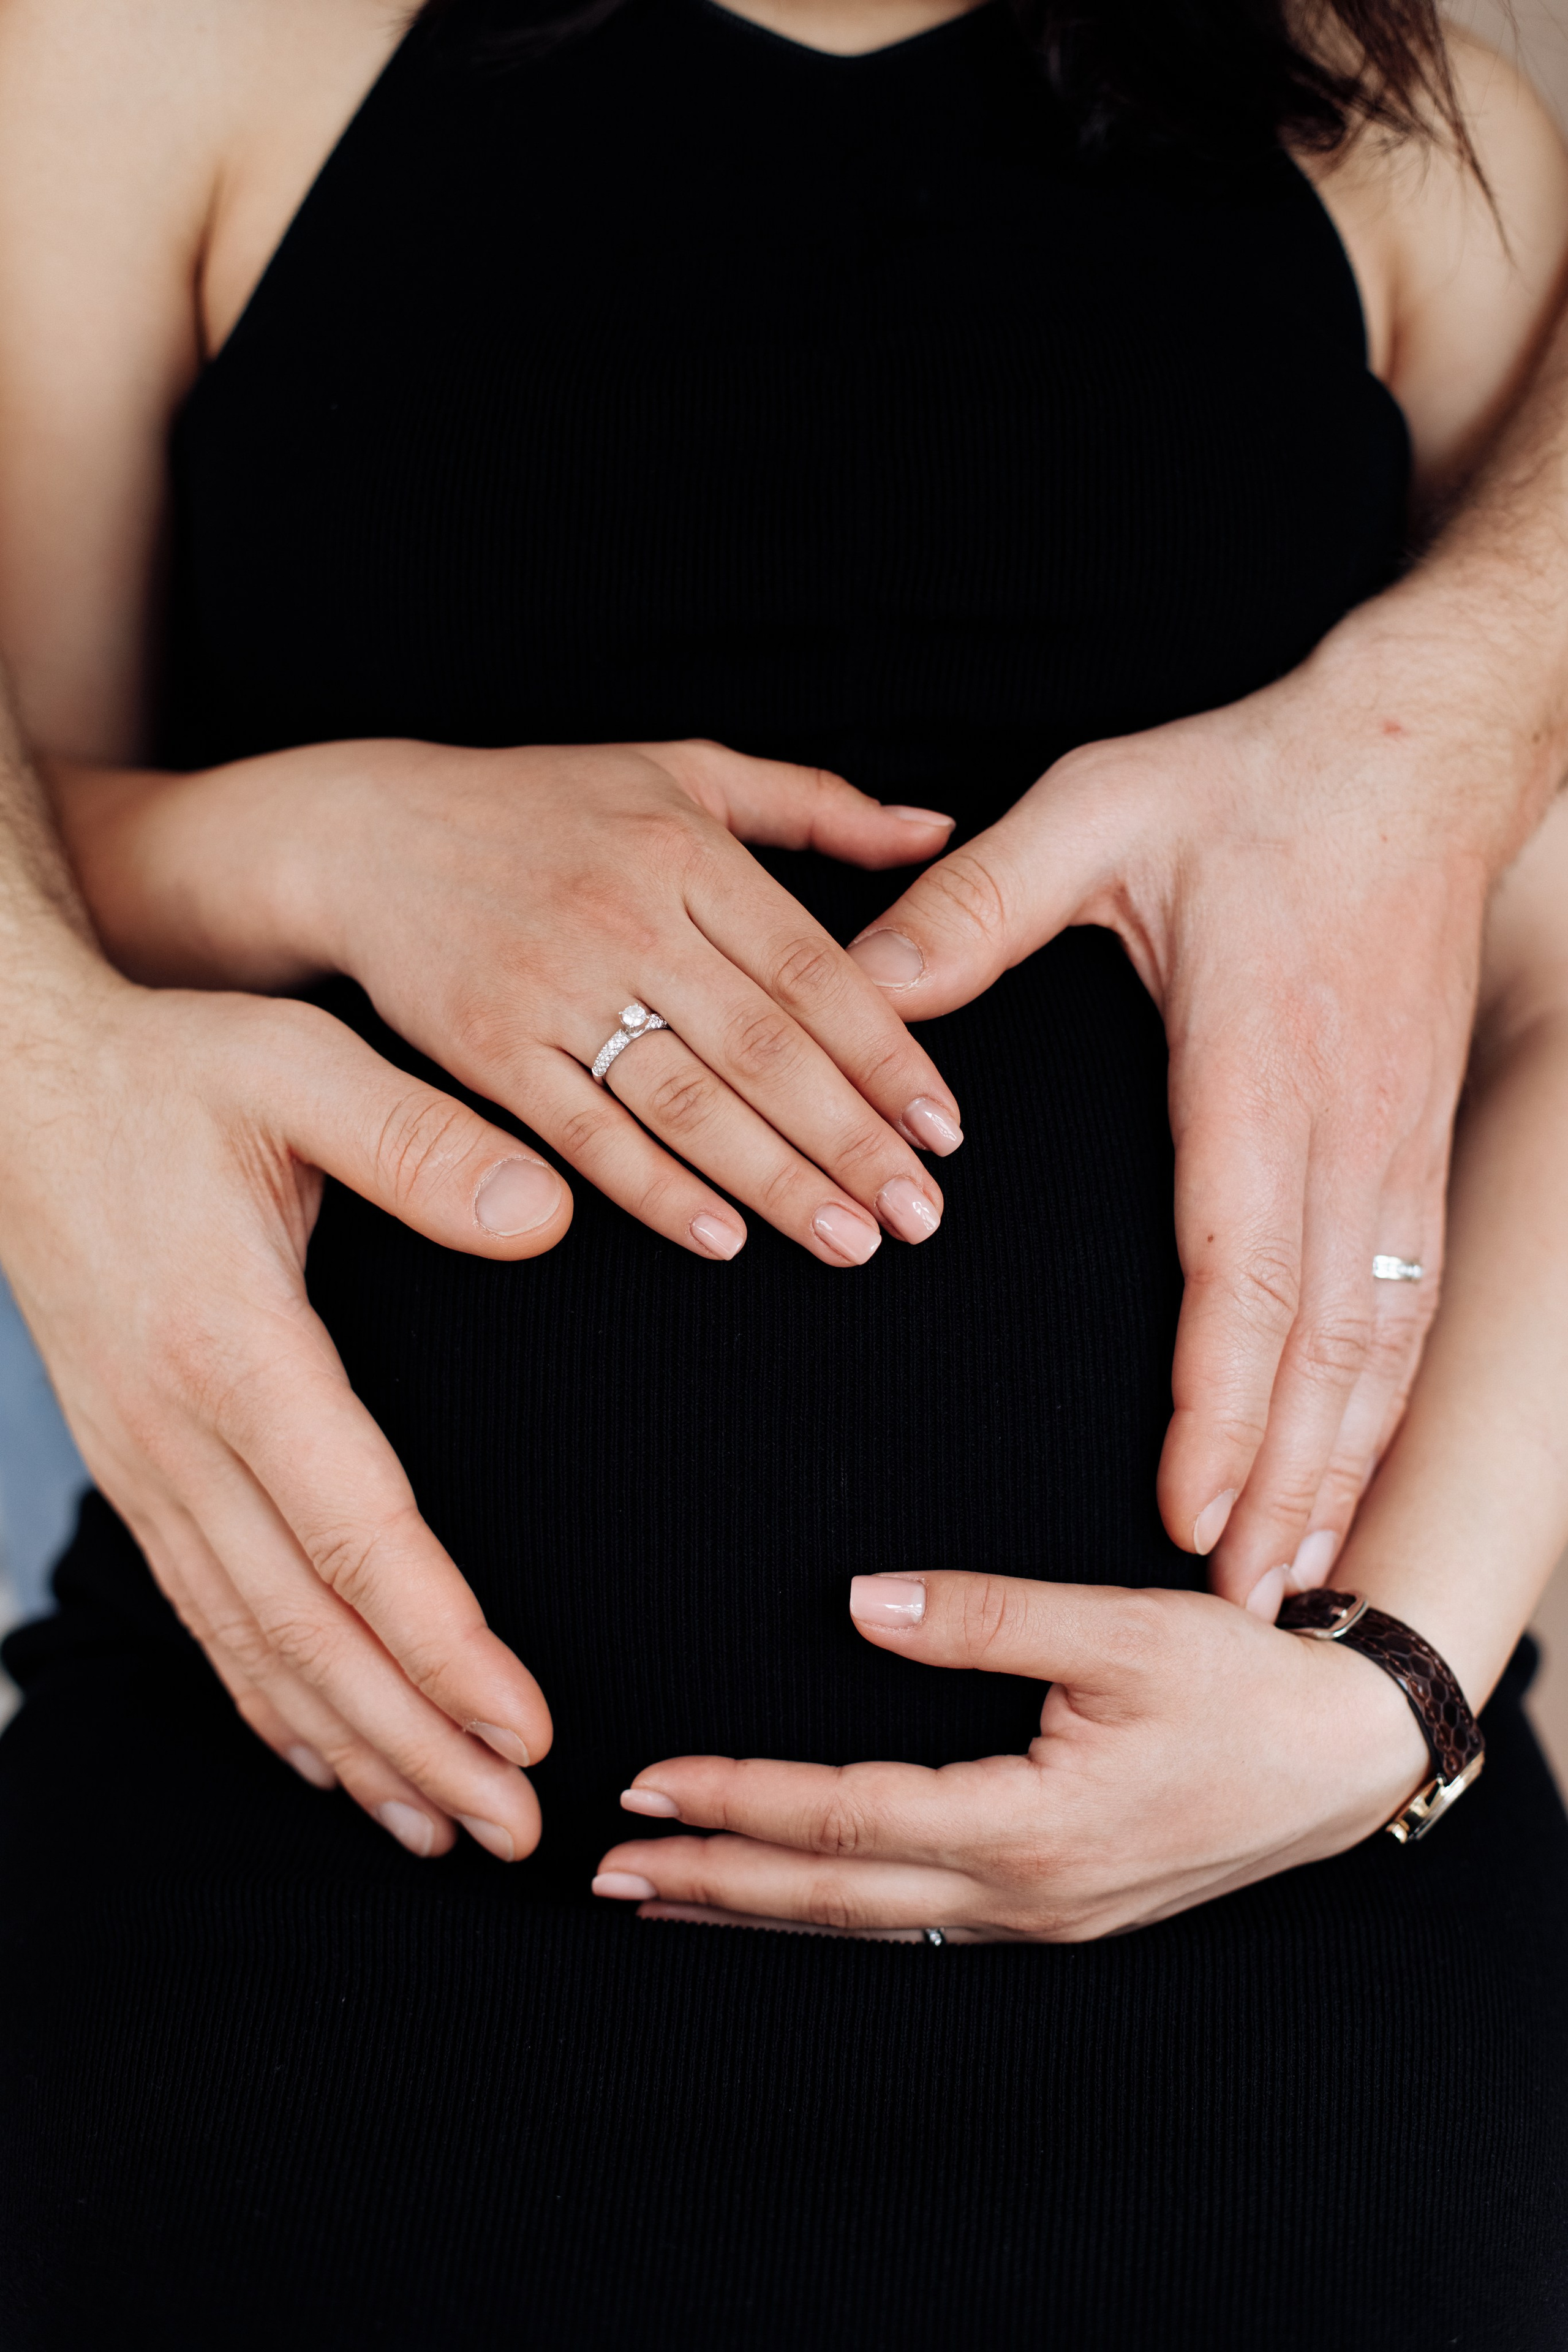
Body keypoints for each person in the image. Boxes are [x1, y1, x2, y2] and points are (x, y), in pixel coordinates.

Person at [0, 0, 1567, 2340]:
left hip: (1272, 1981)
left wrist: (1393, 1704)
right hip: (308, 1946)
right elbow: (35, 850)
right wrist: (331, 844)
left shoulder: (1389, 118)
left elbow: (1543, 989)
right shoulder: (167, 55)